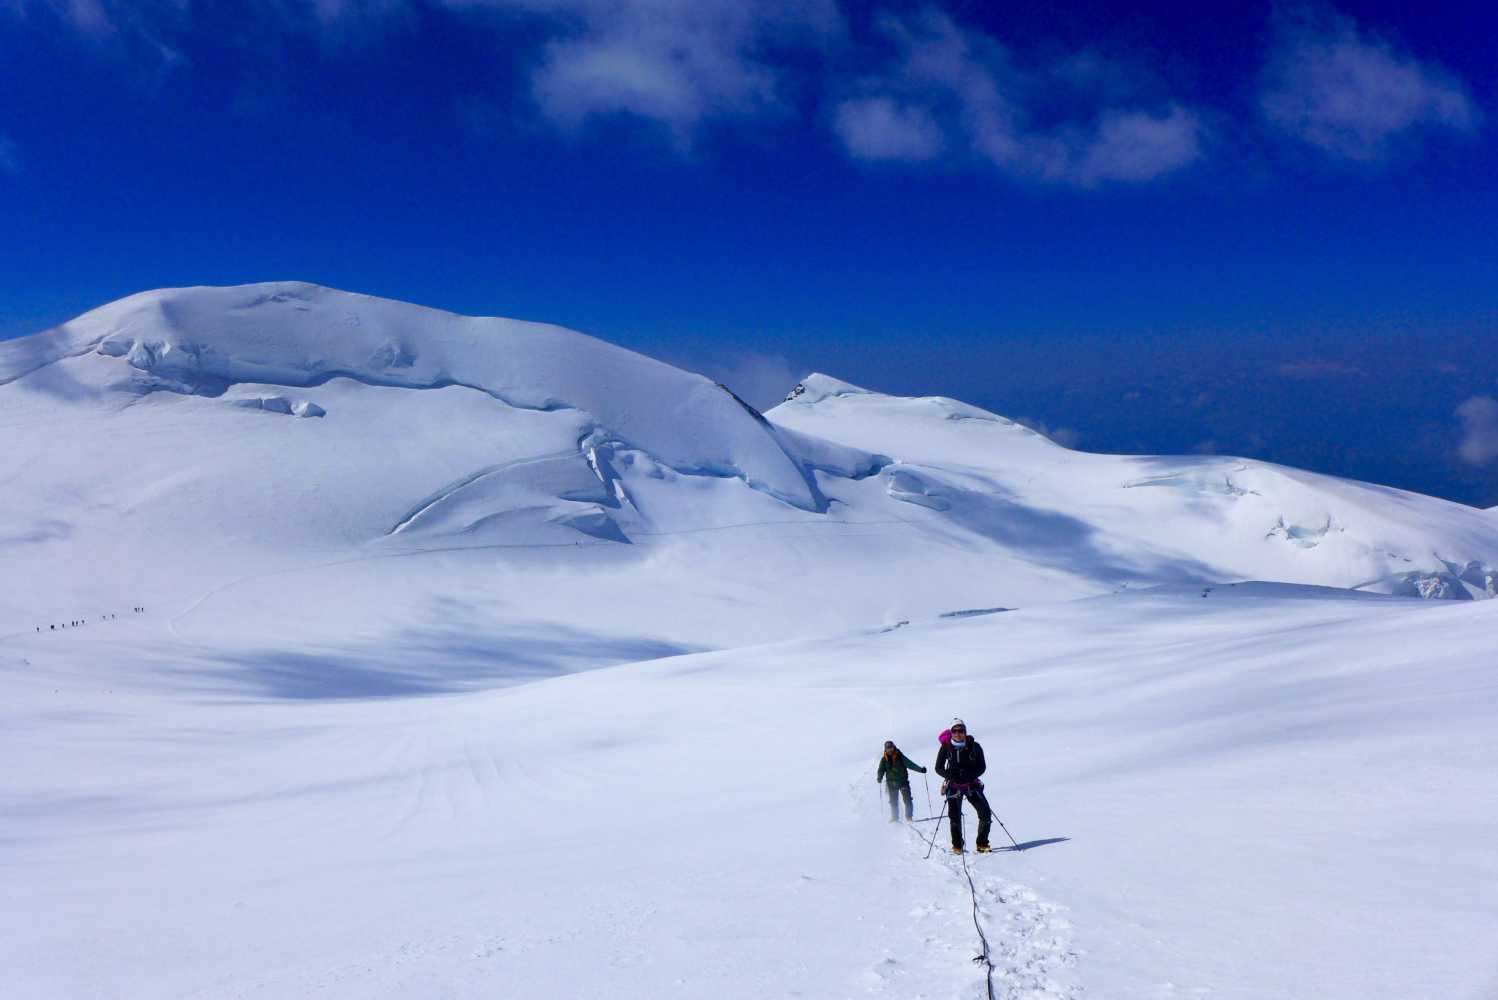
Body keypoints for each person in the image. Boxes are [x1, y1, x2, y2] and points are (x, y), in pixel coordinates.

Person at [934, 718, 993, 853]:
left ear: (965, 732)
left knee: (985, 814)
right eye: (955, 731)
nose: (958, 733)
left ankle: (982, 844)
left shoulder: (975, 746)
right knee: (954, 817)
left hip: (971, 784)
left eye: (961, 730)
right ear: (951, 732)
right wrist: (949, 775)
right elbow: (938, 768)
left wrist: (970, 775)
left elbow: (982, 766)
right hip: (954, 785)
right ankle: (957, 846)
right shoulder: (946, 747)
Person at [876, 740, 927, 822]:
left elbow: (910, 764)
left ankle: (909, 817)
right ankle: (895, 818)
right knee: (893, 802)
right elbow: (881, 770)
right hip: (891, 783)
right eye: (888, 748)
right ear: (885, 749)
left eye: (891, 747)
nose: (890, 750)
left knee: (907, 800)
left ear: (894, 747)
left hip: (903, 782)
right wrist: (879, 777)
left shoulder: (900, 756)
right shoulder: (884, 759)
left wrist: (920, 769)